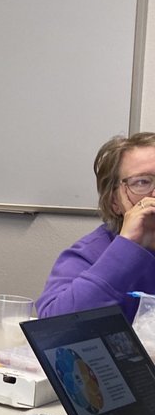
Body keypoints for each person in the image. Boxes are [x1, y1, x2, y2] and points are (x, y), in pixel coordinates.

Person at [37, 132, 155, 319]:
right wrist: (127, 247)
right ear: (114, 200)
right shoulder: (91, 253)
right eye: (142, 182)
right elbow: (53, 328)